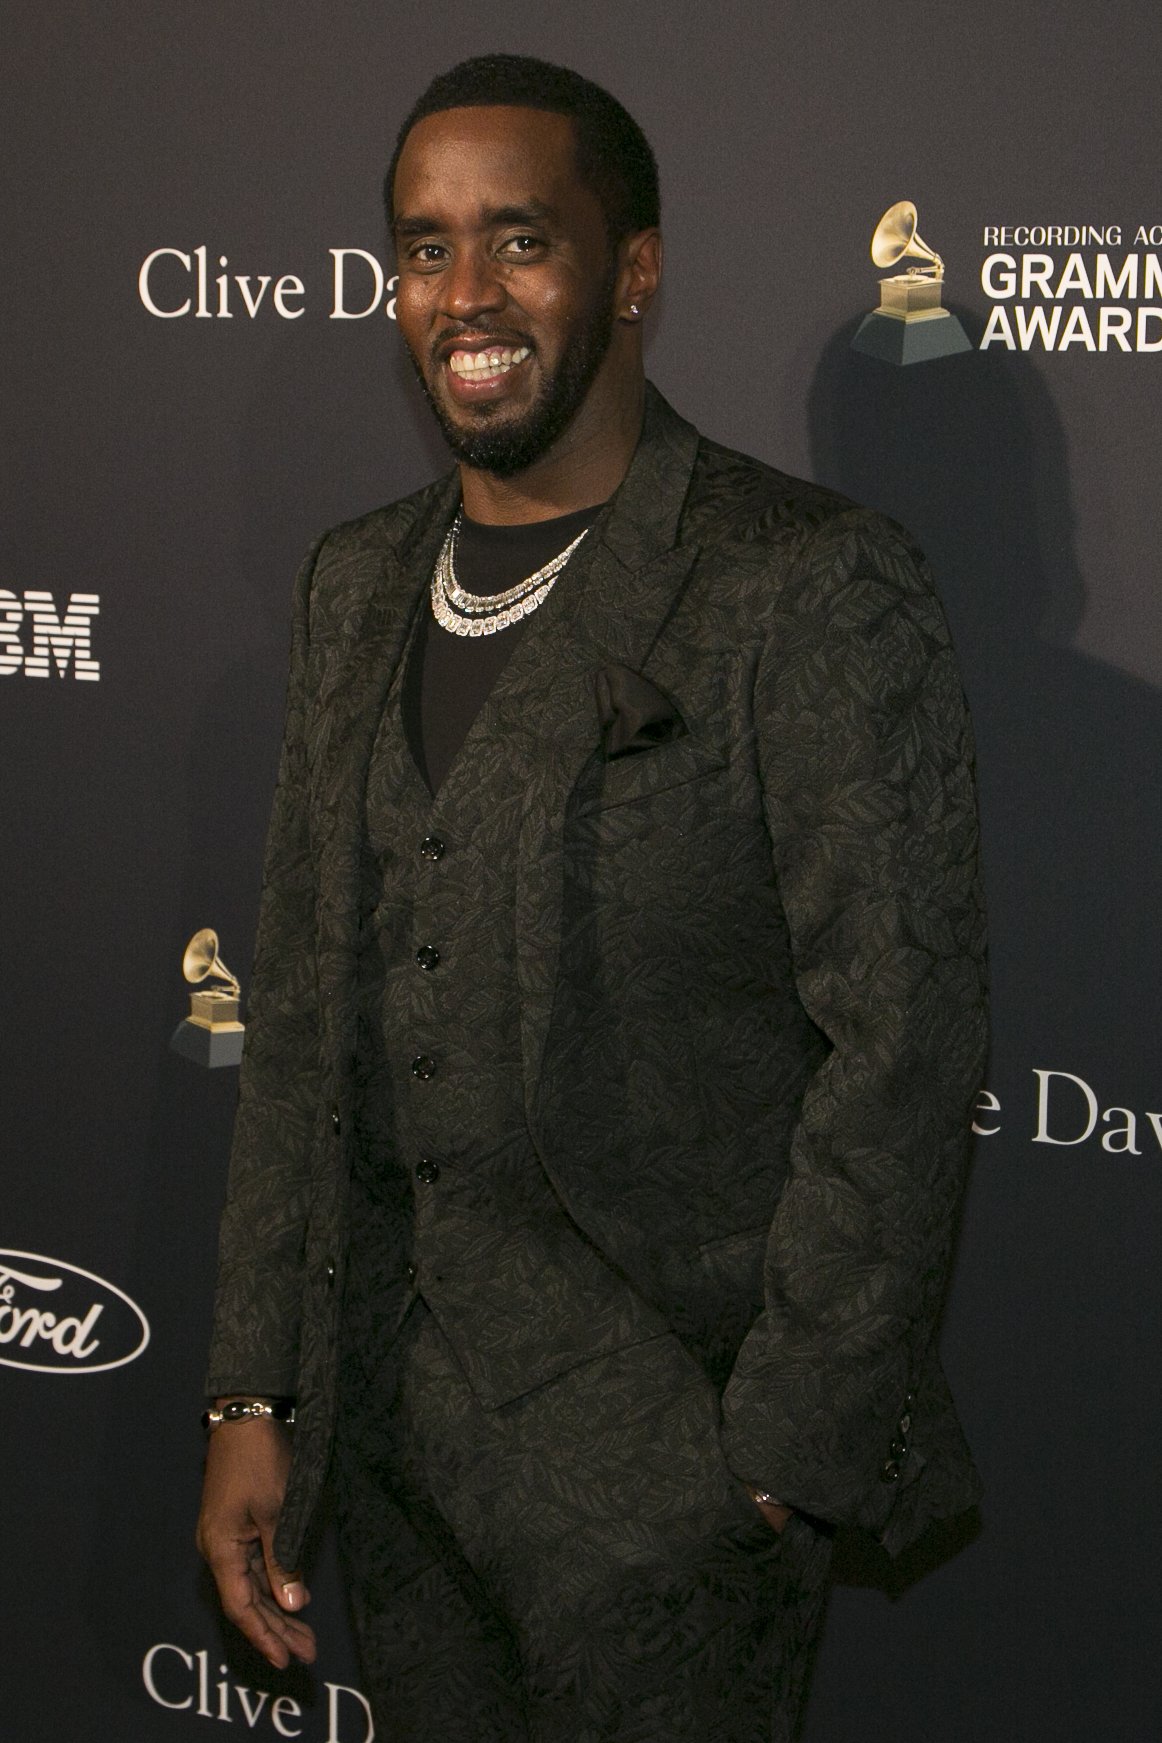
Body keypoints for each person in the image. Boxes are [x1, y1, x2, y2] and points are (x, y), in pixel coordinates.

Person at [197, 53, 988, 1742]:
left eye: (518, 240)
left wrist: (772, 1456)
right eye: (423, 247)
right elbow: (300, 1012)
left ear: (630, 269)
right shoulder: (355, 585)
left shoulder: (801, 583)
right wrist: (257, 1390)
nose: (464, 296)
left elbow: (902, 1044)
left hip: (671, 1464)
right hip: (402, 1436)